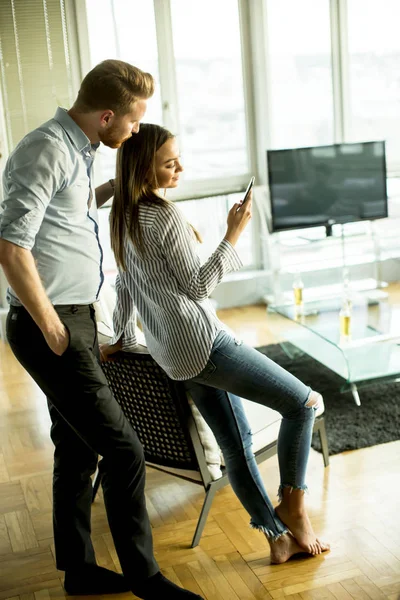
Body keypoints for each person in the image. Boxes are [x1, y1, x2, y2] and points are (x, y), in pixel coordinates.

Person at [0, 61, 203, 600]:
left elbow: (66, 214)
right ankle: (146, 579)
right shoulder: (45, 148)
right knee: (124, 450)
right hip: (53, 323)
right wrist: (51, 328)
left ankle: (79, 570)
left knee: (77, 446)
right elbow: (11, 246)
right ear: (109, 115)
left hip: (77, 317)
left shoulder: (79, 149)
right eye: (134, 123)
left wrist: (119, 184)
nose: (137, 132)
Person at [101, 124, 330, 565]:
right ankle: (294, 508)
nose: (181, 168)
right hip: (205, 346)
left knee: (235, 446)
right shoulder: (162, 216)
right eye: (170, 163)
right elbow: (199, 284)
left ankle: (276, 536)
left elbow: (127, 282)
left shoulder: (122, 214)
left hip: (175, 354)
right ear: (142, 167)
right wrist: (233, 232)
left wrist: (125, 337)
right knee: (303, 405)